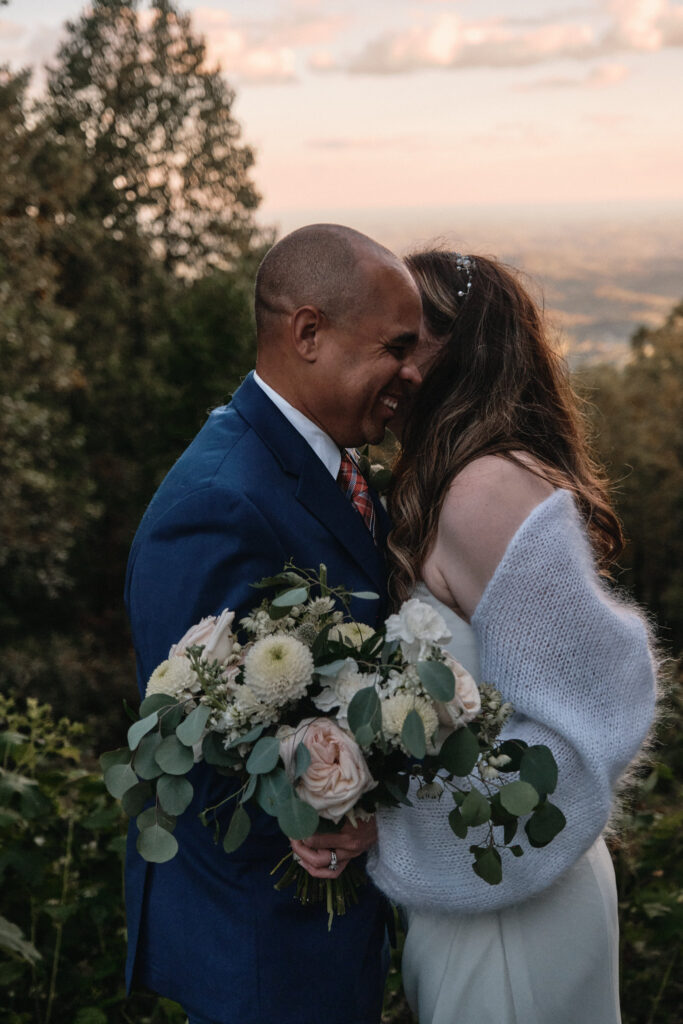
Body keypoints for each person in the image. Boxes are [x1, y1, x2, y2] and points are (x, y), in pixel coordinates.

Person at [124, 224, 423, 1024]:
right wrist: (338, 809)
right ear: (308, 332)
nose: (413, 371)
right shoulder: (219, 499)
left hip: (319, 932)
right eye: (396, 346)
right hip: (261, 946)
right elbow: (195, 738)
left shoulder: (327, 461)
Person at [367, 250, 657, 1024]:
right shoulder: (445, 480)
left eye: (403, 341)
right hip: (476, 906)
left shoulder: (485, 490)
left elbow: (586, 721)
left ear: (460, 350)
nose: (385, 362)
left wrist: (389, 822)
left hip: (512, 918)